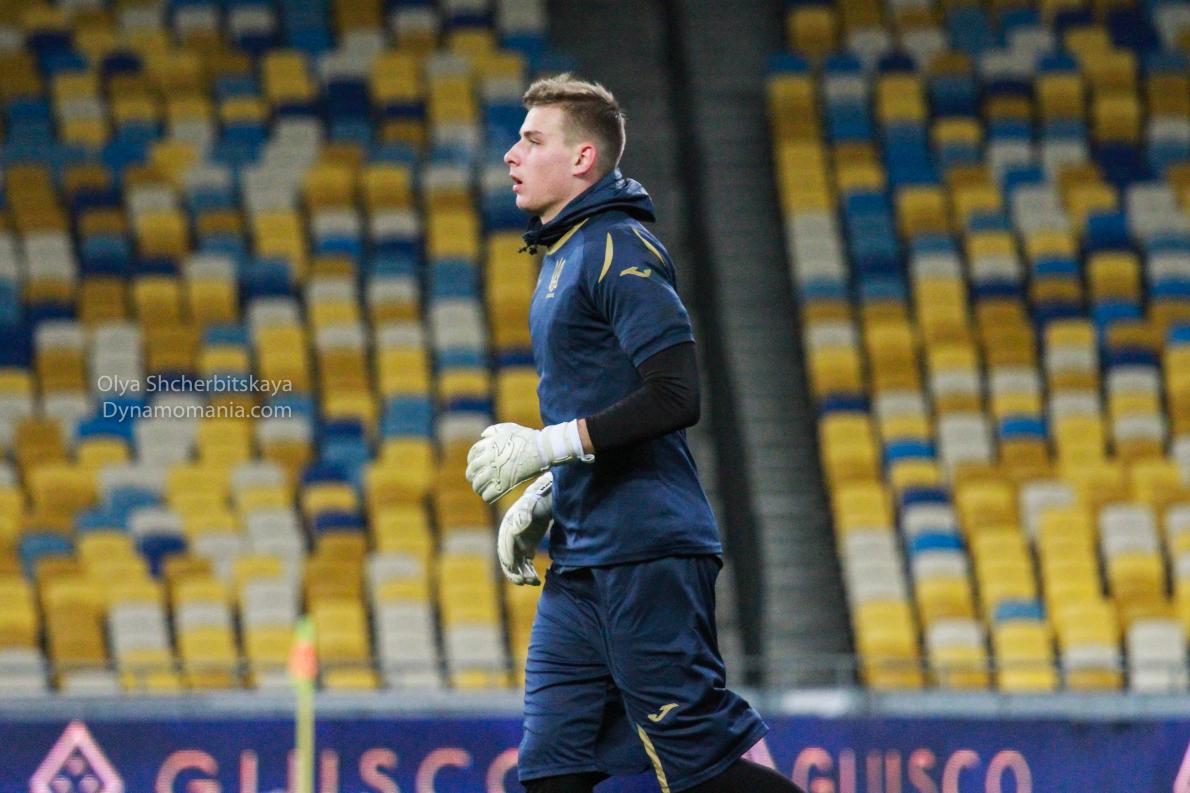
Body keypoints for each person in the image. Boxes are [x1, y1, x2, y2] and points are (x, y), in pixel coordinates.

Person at [465, 74, 804, 793]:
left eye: (531, 140)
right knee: (551, 770)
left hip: (645, 550)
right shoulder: (562, 254)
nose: (511, 155)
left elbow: (677, 395)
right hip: (582, 558)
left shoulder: (619, 247)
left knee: (701, 768)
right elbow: (607, 400)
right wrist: (552, 493)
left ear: (582, 158)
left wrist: (546, 448)